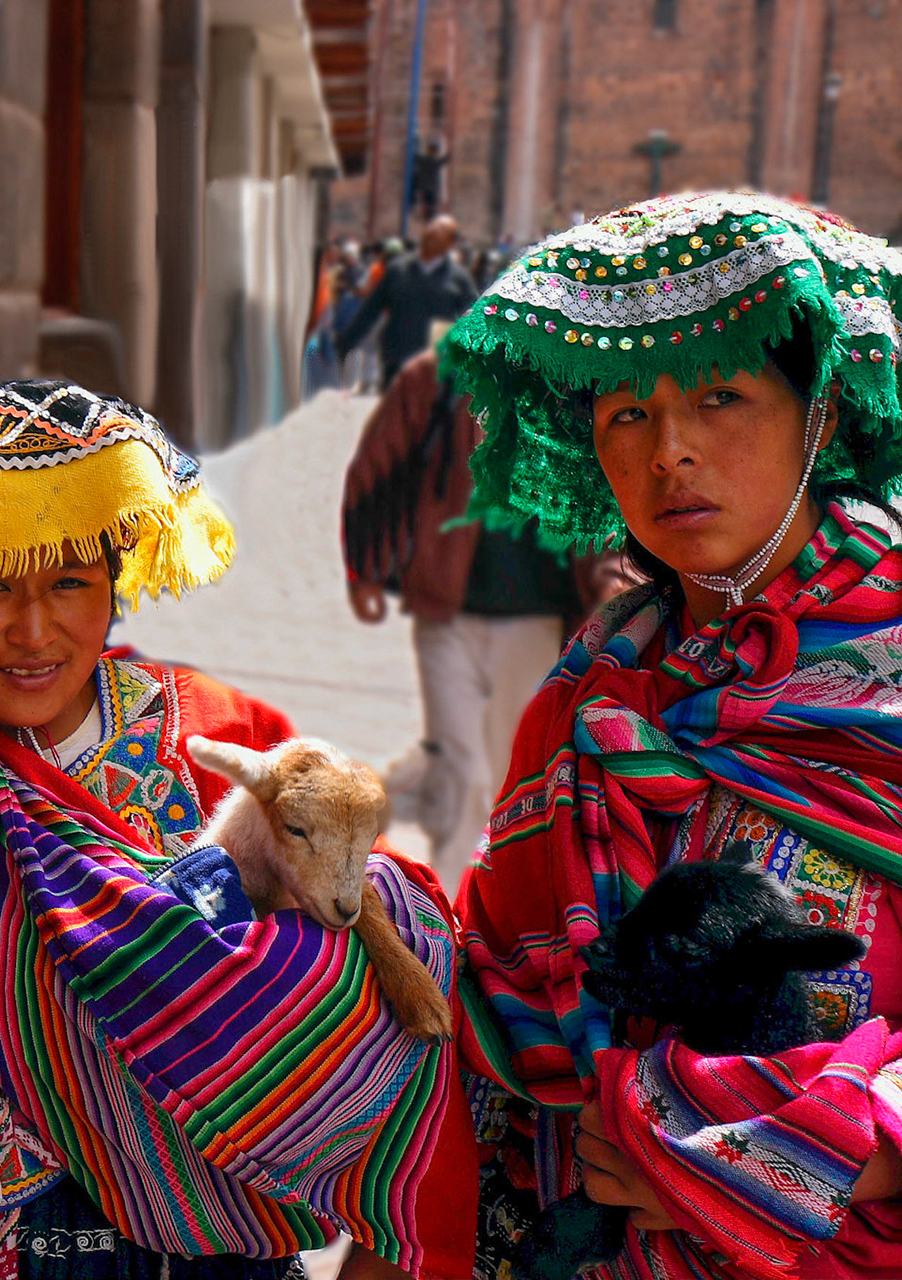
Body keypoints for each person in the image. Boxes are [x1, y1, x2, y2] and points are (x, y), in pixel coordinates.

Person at [0, 380, 477, 1279]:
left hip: (206, 1252)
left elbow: (370, 962)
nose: (35, 628)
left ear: (113, 584)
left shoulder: (220, 742)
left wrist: (387, 1243)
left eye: (70, 582)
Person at [440, 192, 902, 1277]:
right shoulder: (590, 690)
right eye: (628, 414)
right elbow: (494, 976)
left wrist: (738, 1145)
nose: (671, 451)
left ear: (821, 414)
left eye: (720, 394)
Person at [341, 341, 632, 894]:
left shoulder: (580, 386)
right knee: (462, 769)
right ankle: (455, 905)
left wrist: (613, 589)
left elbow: (610, 498)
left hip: (538, 620)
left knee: (511, 772)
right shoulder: (437, 377)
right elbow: (372, 471)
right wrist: (365, 570)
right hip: (446, 612)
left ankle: (495, 896)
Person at [338, 216, 477, 391]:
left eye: (438, 235)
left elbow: (474, 320)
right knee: (395, 416)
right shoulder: (398, 270)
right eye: (429, 233)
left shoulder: (459, 278)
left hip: (436, 369)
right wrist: (345, 343)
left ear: (449, 243)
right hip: (397, 361)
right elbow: (370, 310)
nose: (430, 238)